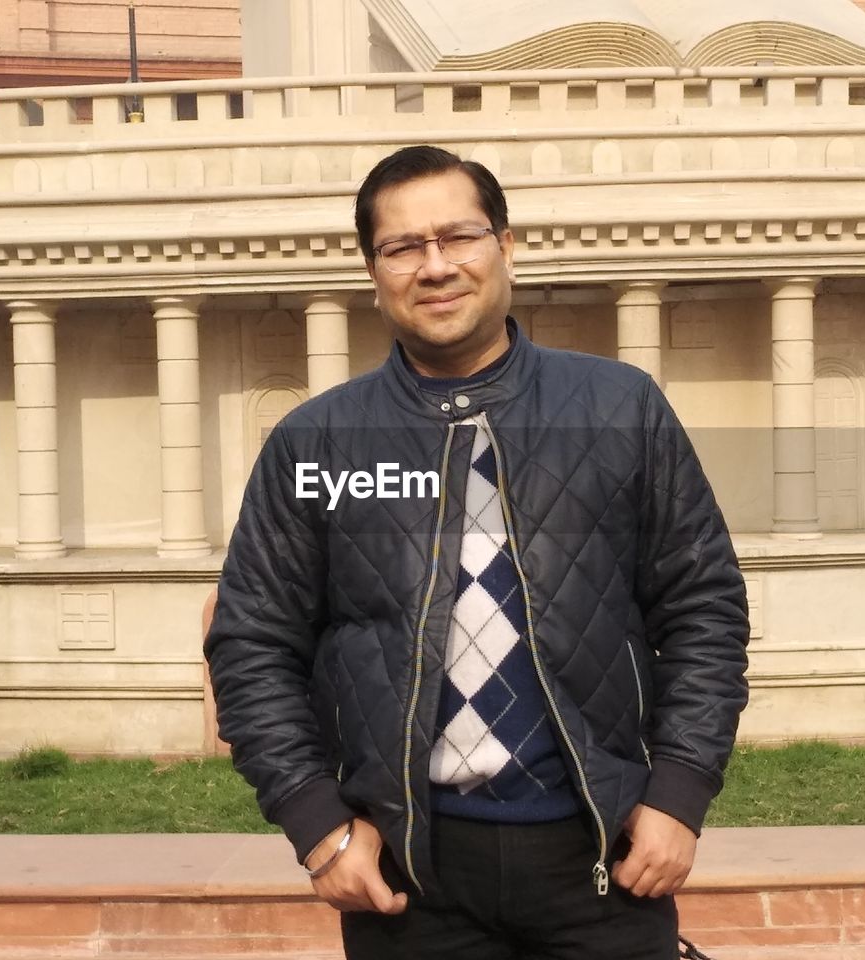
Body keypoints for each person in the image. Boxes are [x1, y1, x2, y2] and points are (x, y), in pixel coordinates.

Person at [205, 144, 749, 959]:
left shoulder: (617, 409)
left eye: (459, 236)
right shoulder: (314, 442)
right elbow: (252, 646)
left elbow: (704, 607)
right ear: (373, 270)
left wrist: (677, 792)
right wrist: (317, 824)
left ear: (506, 246)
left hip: (603, 858)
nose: (435, 266)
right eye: (402, 247)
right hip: (411, 879)